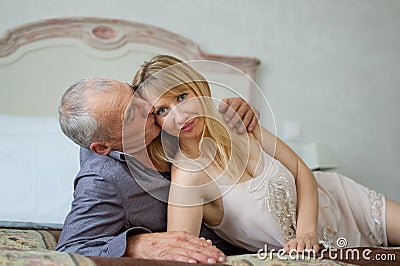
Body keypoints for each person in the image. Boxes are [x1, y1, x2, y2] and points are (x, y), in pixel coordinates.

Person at [134, 54, 400, 254]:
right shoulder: (188, 178)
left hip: (342, 199)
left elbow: (300, 170)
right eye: (162, 110)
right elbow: (181, 250)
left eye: (182, 96)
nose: (180, 116)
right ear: (155, 122)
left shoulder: (235, 122)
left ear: (199, 89)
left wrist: (307, 233)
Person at [56, 77, 259, 263]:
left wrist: (230, 109)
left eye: (134, 94)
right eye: (131, 115)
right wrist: (134, 245)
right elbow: (70, 249)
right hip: (234, 250)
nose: (149, 107)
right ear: (103, 147)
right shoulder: (101, 180)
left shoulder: (162, 122)